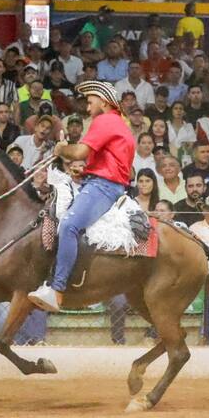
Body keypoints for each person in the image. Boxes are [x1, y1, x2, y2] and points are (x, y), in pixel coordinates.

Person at [28, 81, 134, 311]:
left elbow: (79, 152)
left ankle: (56, 290)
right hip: (106, 184)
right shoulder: (119, 123)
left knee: (68, 226)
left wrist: (60, 149)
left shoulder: (105, 120)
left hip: (102, 185)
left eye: (90, 101)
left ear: (103, 101)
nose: (87, 107)